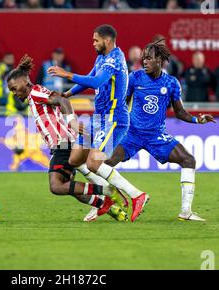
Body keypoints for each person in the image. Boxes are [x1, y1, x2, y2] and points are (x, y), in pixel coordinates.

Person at [7, 54, 129, 222]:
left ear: (24, 82)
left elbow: (63, 102)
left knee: (57, 186)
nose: (14, 93)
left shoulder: (36, 92)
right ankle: (111, 209)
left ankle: (107, 191)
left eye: (14, 88)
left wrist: (71, 122)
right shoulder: (33, 97)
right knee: (71, 188)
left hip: (63, 144)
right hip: (62, 144)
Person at [105, 39, 216, 221]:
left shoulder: (171, 83)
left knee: (188, 160)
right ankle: (101, 204)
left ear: (160, 60)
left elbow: (179, 112)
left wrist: (198, 119)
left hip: (156, 136)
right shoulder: (134, 78)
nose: (145, 61)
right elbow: (121, 103)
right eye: (144, 58)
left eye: (149, 58)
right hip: (132, 134)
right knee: (103, 164)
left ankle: (185, 212)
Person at [47, 24, 148, 222]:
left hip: (113, 119)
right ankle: (109, 195)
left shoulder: (114, 60)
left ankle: (136, 195)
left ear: (107, 40)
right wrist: (66, 94)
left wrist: (66, 74)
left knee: (94, 162)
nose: (93, 43)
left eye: (96, 40)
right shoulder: (101, 57)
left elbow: (96, 82)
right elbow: (89, 78)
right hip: (98, 119)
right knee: (75, 159)